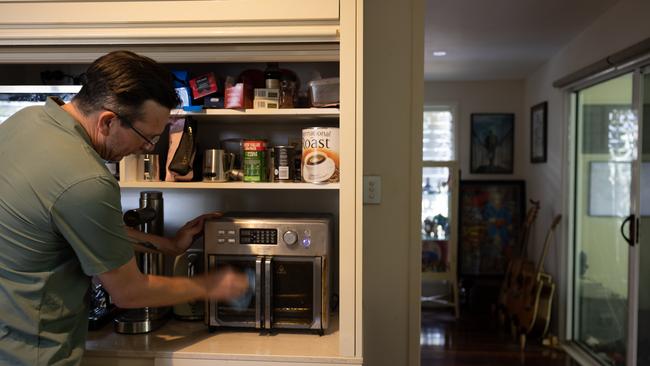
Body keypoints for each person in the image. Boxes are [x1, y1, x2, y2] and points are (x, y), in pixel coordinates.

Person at [0, 50, 249, 365]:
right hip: (31, 352)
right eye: (147, 138)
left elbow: (78, 228)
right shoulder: (86, 180)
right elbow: (130, 293)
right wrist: (210, 285)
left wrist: (169, 246)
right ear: (108, 121)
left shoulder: (28, 120)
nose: (145, 149)